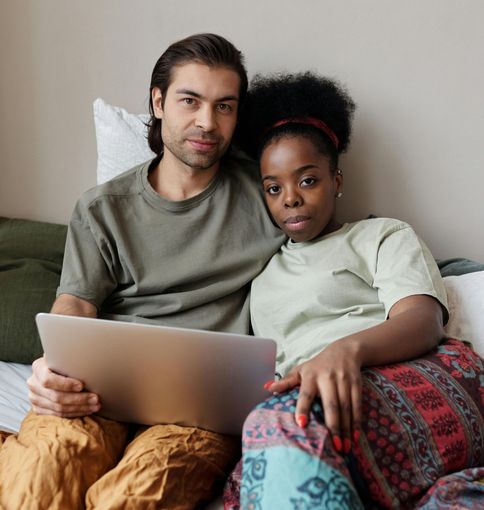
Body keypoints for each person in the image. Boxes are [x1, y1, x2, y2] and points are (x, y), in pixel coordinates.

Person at [0, 34, 284, 509]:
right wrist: (51, 368)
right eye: (189, 100)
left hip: (199, 410)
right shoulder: (102, 208)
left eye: (225, 106)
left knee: (132, 499)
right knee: (35, 485)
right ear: (158, 101)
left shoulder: (268, 197)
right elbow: (74, 303)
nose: (207, 122)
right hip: (98, 392)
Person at [224, 72, 484, 509]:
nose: (290, 198)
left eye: (307, 180)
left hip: (416, 371)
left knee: (284, 426)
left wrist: (345, 351)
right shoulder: (261, 277)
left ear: (337, 180)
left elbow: (422, 321)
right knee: (254, 467)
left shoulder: (380, 235)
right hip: (319, 397)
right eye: (274, 188)